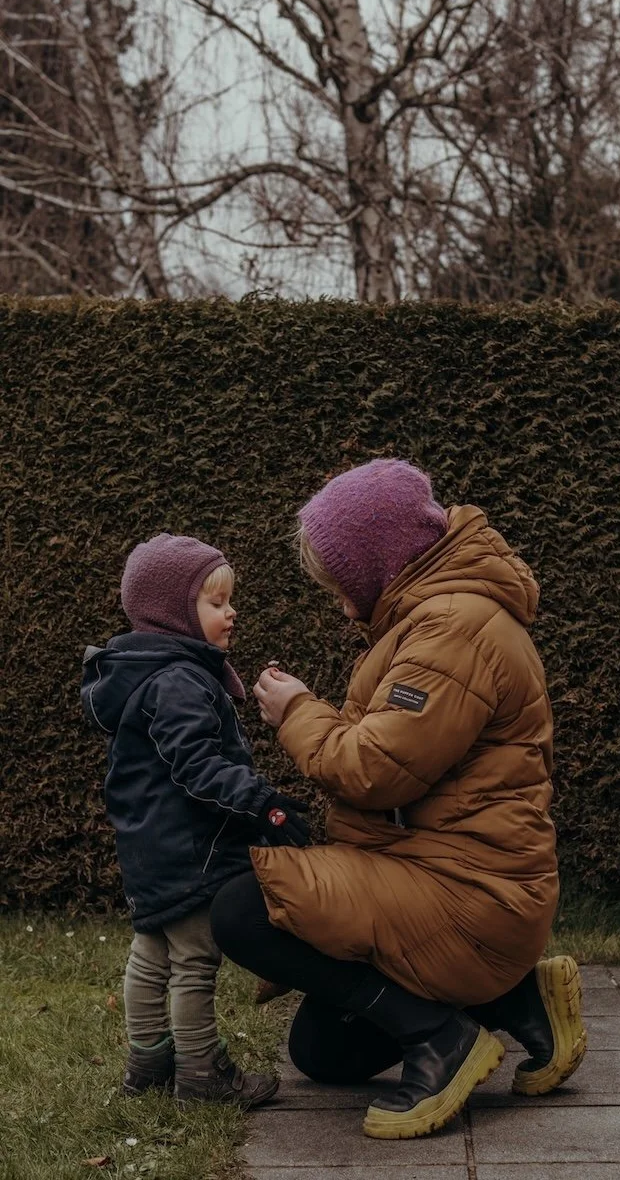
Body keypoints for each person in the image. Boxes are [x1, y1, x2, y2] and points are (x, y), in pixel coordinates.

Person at [210, 459, 586, 1139]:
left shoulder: (455, 631)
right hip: (451, 885)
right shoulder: (436, 618)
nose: (336, 597)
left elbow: (375, 771)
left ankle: (445, 1039)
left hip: (469, 897)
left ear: (374, 564)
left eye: (337, 579)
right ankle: (515, 998)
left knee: (243, 906)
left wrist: (296, 709)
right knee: (324, 1053)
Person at [80, 533, 310, 1108]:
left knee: (151, 951)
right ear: (175, 613)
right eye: (215, 603)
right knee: (194, 959)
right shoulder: (180, 680)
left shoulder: (144, 673)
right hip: (190, 847)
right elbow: (199, 768)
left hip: (147, 844)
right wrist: (266, 804)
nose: (231, 612)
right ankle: (202, 1073)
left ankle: (148, 1063)